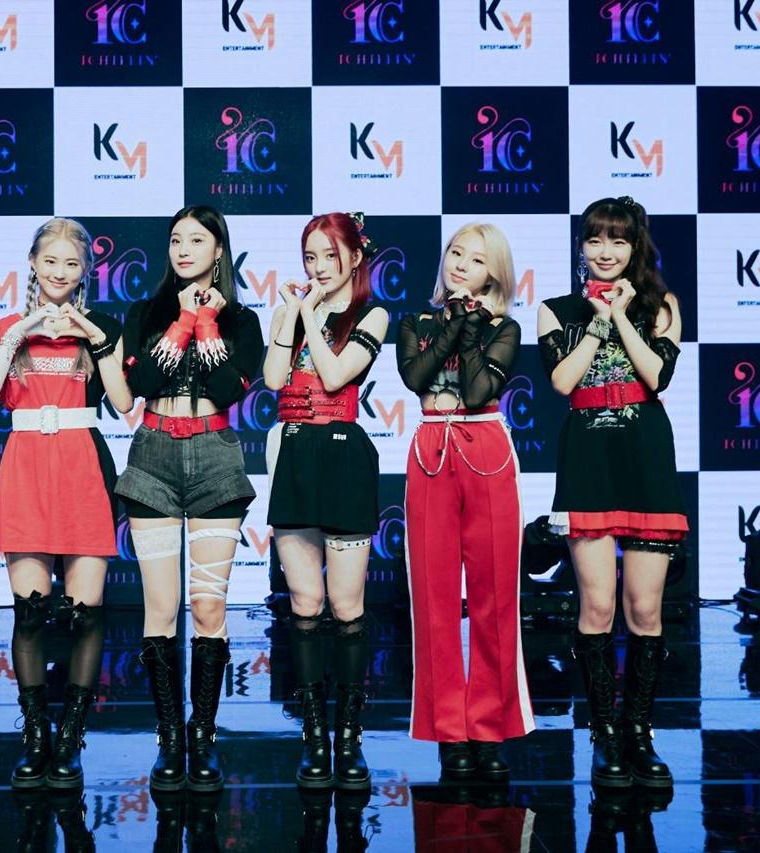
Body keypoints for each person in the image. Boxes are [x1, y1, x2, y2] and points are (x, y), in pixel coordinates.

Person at [0, 218, 133, 790]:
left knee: (87, 614)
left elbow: (124, 403)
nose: (60, 272)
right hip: (27, 466)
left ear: (86, 271)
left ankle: (71, 740)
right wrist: (21, 330)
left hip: (82, 464)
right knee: (30, 613)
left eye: (72, 263)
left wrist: (91, 334)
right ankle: (36, 735)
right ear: (33, 264)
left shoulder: (100, 328)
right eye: (51, 260)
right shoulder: (5, 329)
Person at [537, 196, 685, 789]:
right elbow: (562, 381)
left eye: (618, 241)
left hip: (645, 454)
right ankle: (603, 735)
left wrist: (623, 314)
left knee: (644, 609)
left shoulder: (662, 305)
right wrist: (598, 320)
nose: (605, 252)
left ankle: (639, 733)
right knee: (597, 606)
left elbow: (658, 375)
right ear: (581, 246)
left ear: (635, 247)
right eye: (595, 240)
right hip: (587, 457)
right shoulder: (555, 310)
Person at [117, 205, 263, 792]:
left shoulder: (243, 321)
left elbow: (228, 388)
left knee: (208, 609)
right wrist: (181, 320)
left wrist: (206, 323)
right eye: (176, 239)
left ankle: (202, 736)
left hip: (215, 456)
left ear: (218, 250)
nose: (183, 249)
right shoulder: (144, 312)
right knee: (159, 607)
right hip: (152, 454)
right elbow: (140, 385)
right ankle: (169, 739)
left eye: (196, 240)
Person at [396, 223, 535, 782]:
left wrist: (471, 326)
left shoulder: (505, 328)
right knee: (433, 599)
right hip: (431, 448)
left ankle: (489, 727)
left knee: (494, 597)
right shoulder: (416, 322)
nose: (460, 264)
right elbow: (417, 378)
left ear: (493, 274)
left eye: (476, 260)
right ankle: (448, 731)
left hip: (486, 449)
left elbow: (477, 392)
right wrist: (453, 323)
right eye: (456, 252)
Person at [262, 212, 388, 790]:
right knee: (305, 602)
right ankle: (314, 734)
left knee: (345, 603)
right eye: (309, 257)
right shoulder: (293, 310)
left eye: (329, 256)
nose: (317, 267)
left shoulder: (373, 314)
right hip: (293, 451)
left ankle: (349, 736)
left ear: (355, 258)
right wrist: (292, 314)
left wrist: (309, 314)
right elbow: (272, 378)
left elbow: (335, 376)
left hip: (343, 454)